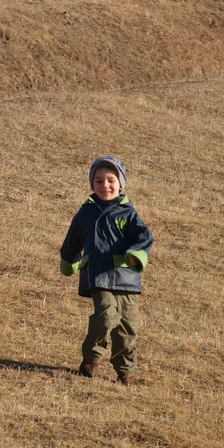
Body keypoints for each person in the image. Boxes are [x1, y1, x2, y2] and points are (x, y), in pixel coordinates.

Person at [60, 156, 153, 385]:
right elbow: (73, 239)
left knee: (127, 326)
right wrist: (69, 260)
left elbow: (144, 237)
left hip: (127, 278)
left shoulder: (128, 213)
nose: (105, 185)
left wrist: (136, 255)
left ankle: (125, 371)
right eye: (99, 180)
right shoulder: (86, 213)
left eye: (111, 180)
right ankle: (91, 358)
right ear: (92, 184)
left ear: (121, 184)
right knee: (106, 315)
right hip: (98, 275)